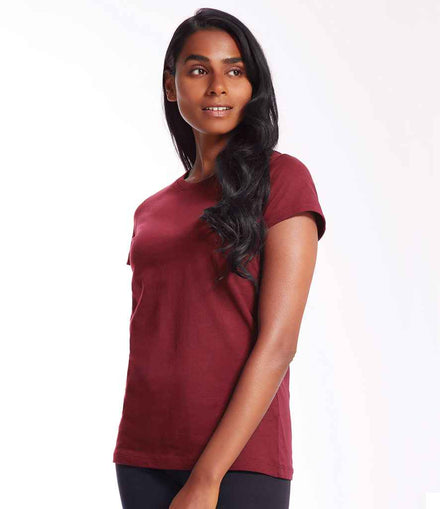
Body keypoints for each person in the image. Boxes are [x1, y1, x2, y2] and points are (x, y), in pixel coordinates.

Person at [113, 8, 326, 509]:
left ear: (252, 86)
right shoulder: (151, 211)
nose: (217, 86)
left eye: (234, 70)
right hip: (143, 453)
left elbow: (278, 344)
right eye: (198, 70)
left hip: (239, 461)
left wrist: (208, 477)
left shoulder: (283, 180)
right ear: (172, 86)